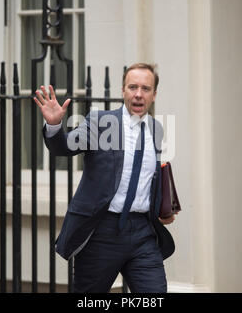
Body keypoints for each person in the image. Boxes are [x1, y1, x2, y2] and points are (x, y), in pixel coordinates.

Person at [33, 63, 176, 293]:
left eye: (146, 88)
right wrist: (54, 125)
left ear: (154, 94)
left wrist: (164, 205)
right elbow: (65, 147)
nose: (138, 94)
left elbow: (150, 176)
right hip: (102, 231)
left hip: (143, 232)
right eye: (133, 87)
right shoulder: (101, 123)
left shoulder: (156, 129)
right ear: (123, 90)